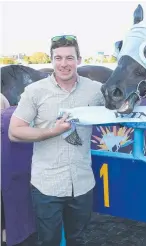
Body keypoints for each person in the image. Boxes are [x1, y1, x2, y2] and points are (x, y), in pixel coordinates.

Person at [8, 35, 105, 246]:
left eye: (69, 58)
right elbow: (14, 131)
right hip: (47, 186)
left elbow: (122, 105)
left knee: (78, 240)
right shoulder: (35, 91)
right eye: (58, 58)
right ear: (51, 60)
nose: (63, 64)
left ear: (79, 60)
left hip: (82, 184)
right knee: (49, 242)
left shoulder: (96, 90)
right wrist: (52, 131)